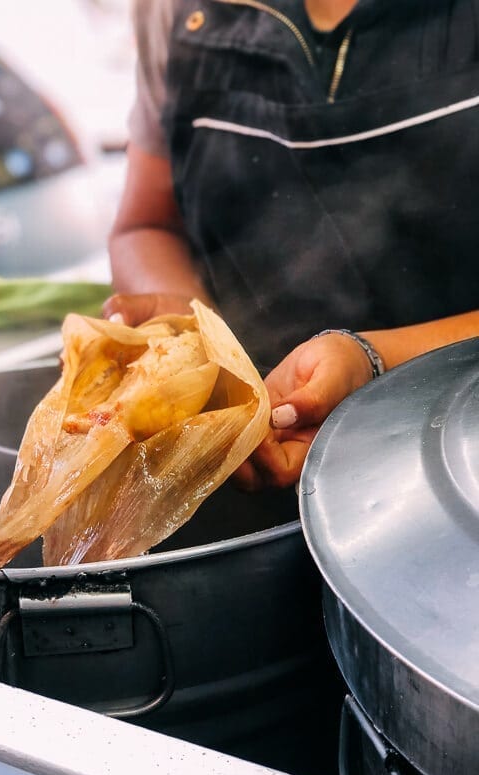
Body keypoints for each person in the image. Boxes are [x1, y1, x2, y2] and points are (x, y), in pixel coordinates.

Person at [104, 0, 479, 487]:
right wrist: (191, 330)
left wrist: (376, 357)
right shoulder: (173, 10)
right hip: (251, 462)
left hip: (461, 473)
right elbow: (145, 228)